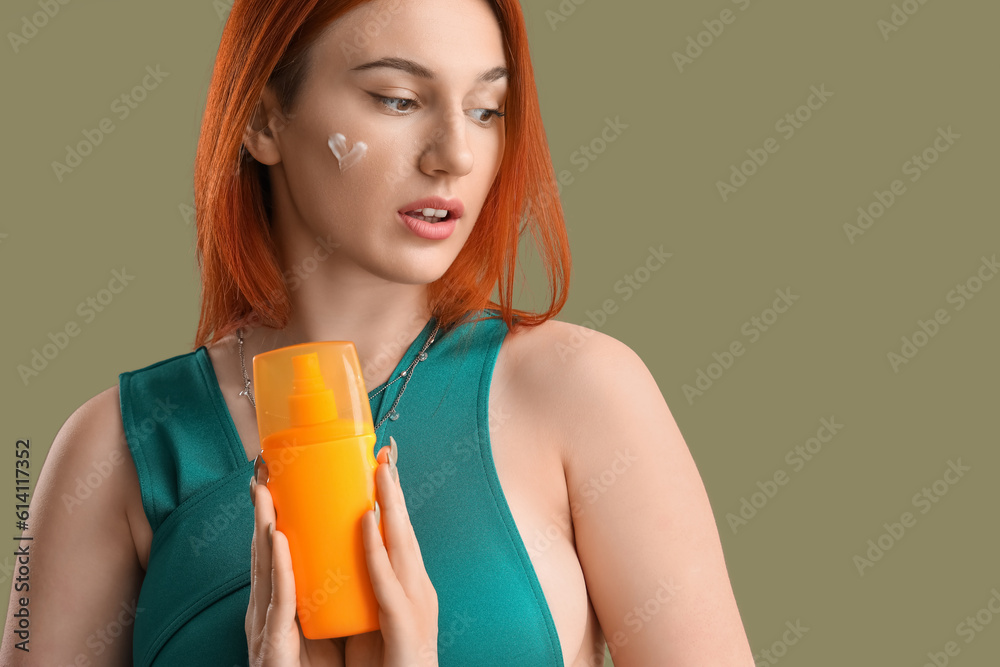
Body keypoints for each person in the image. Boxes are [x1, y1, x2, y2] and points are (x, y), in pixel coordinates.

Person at [1, 0, 755, 665]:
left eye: (487, 110)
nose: (456, 154)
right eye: (397, 100)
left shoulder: (585, 392)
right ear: (264, 119)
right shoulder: (109, 450)